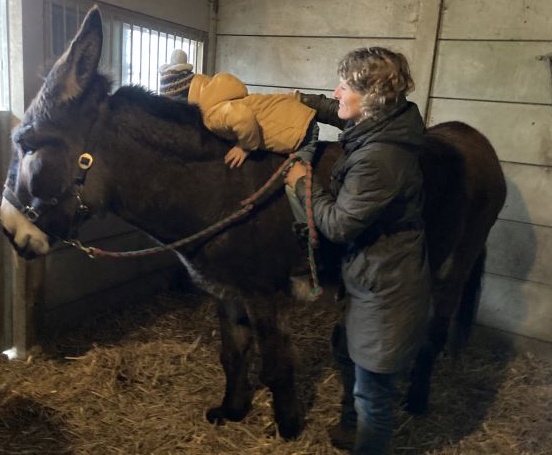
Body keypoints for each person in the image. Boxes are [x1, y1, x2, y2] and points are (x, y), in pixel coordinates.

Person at [284, 47, 431, 454]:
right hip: (375, 276)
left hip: (387, 289)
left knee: (374, 400)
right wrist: (301, 102)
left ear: (372, 97)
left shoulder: (379, 160)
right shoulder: (388, 124)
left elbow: (337, 224)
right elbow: (343, 115)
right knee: (349, 355)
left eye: (344, 86)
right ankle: (352, 430)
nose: (336, 92)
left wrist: (302, 181)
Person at [159, 49, 319, 170]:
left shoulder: (211, 114)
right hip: (293, 114)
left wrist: (244, 147)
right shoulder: (214, 95)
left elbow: (243, 117)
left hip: (299, 131)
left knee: (296, 184)